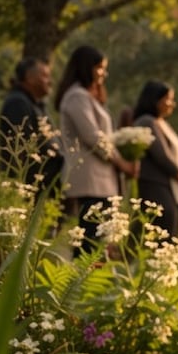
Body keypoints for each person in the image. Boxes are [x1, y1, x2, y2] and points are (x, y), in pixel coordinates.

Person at [56, 45, 137, 255]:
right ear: (87, 68)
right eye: (100, 68)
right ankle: (81, 287)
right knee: (90, 242)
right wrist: (121, 163)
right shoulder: (77, 97)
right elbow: (93, 136)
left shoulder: (88, 97)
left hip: (101, 180)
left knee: (99, 242)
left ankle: (93, 285)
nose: (104, 73)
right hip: (90, 179)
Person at [132, 80, 178, 238]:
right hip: (156, 186)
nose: (172, 104)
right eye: (168, 99)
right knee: (161, 232)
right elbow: (162, 155)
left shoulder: (162, 123)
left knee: (170, 232)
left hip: (170, 186)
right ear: (155, 100)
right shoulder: (147, 121)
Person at [0, 56, 64, 202]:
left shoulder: (33, 103)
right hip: (32, 190)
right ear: (30, 78)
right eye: (45, 76)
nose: (50, 81)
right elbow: (22, 149)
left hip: (43, 188)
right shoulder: (18, 103)